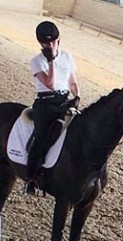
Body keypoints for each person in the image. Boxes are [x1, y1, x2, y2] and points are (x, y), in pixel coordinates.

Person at [26, 20, 79, 195]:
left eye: (53, 42)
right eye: (46, 43)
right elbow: (50, 84)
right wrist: (50, 62)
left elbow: (72, 82)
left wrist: (77, 96)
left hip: (64, 101)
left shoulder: (67, 57)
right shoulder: (36, 61)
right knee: (41, 138)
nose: (51, 45)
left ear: (58, 40)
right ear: (41, 44)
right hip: (45, 104)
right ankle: (31, 178)